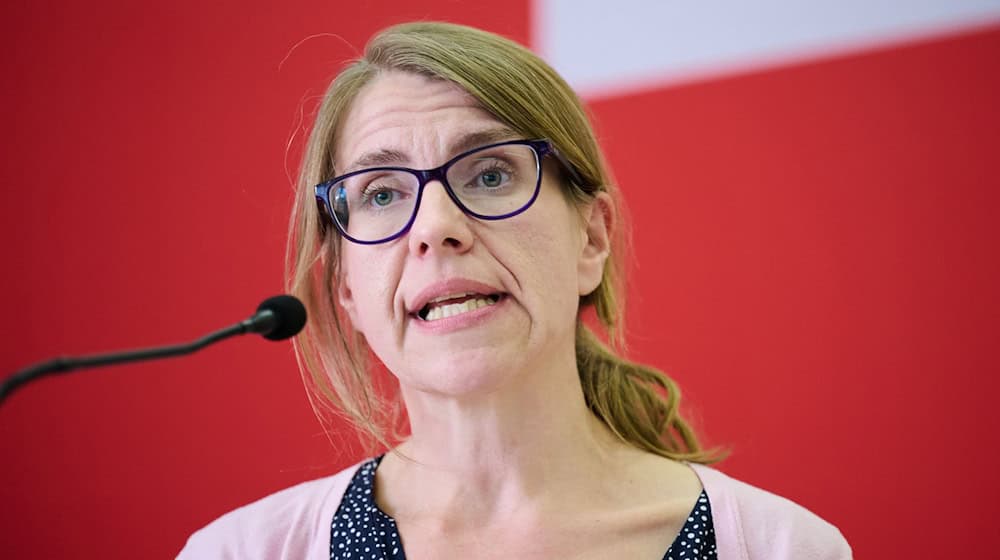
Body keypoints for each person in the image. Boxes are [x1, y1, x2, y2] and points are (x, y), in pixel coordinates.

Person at [178, 21, 851, 560]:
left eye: (491, 175)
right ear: (346, 287)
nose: (437, 228)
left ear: (591, 238)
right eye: (382, 192)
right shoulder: (240, 552)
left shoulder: (782, 548)